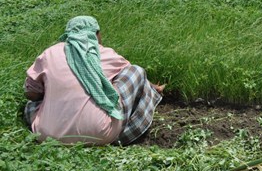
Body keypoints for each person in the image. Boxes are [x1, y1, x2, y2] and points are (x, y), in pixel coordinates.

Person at [23, 16, 164, 145]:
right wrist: (153, 87)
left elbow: (31, 94)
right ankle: (123, 135)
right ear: (96, 34)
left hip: (46, 136)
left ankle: (55, 127)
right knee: (137, 71)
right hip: (99, 134)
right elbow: (132, 76)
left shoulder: (50, 53)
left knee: (31, 105)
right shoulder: (105, 53)